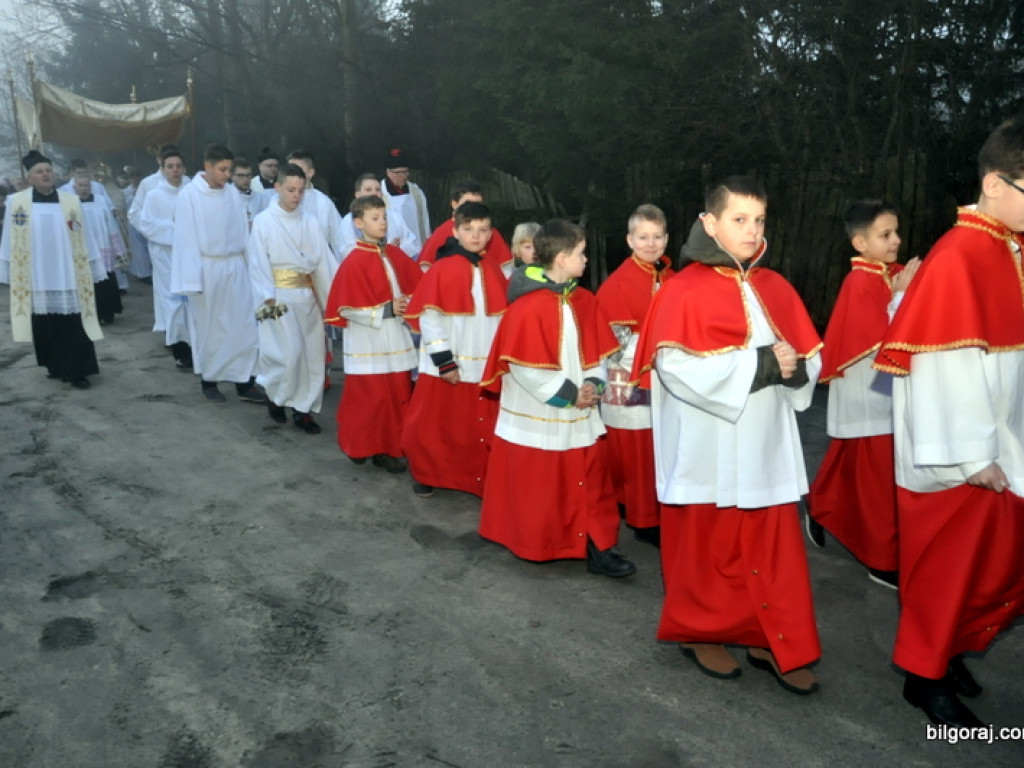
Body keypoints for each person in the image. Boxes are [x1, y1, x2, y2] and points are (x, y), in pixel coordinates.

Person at [632, 175, 823, 692]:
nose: (752, 230)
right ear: (710, 223)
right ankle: (700, 631)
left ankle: (771, 636)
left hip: (765, 443)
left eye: (758, 220)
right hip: (707, 443)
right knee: (707, 545)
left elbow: (808, 355)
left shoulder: (774, 286)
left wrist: (796, 370)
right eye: (739, 219)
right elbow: (675, 368)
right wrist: (761, 365)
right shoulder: (681, 290)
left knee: (771, 548)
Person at [874, 114, 1024, 727]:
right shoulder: (960, 255)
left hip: (998, 443)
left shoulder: (1005, 247)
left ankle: (949, 652)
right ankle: (924, 678)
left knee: (985, 568)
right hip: (959, 457)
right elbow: (943, 369)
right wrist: (972, 455)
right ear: (994, 183)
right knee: (946, 570)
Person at [478, 218, 636, 578]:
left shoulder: (585, 300)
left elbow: (598, 355)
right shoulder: (526, 307)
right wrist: (569, 395)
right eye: (581, 253)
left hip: (582, 411)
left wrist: (594, 386)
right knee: (544, 486)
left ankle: (599, 546)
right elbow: (524, 367)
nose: (586, 260)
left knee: (592, 480)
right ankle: (541, 542)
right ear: (562, 259)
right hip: (543, 412)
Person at [806, 200, 920, 589]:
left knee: (850, 459)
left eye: (896, 232)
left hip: (885, 390)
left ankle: (821, 507)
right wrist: (901, 297)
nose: (896, 240)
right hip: (869, 394)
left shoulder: (888, 275)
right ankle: (880, 557)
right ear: (860, 243)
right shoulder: (860, 282)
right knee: (878, 481)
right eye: (885, 235)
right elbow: (884, 339)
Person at [402, 201, 507, 497]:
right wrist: (444, 361)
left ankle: (474, 478)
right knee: (435, 425)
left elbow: (501, 319)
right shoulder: (442, 268)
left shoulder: (492, 270)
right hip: (447, 365)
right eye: (469, 229)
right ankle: (427, 473)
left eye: (483, 230)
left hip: (482, 365)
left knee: (475, 427)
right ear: (456, 231)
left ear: (491, 234)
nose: (476, 235)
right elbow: (430, 318)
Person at [595, 204, 674, 547]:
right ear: (629, 240)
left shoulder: (674, 278)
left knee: (661, 446)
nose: (650, 244)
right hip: (628, 380)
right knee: (636, 452)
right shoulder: (618, 283)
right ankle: (643, 519)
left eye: (657, 237)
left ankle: (655, 508)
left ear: (667, 239)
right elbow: (612, 343)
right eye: (643, 237)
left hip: (668, 381)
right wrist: (659, 346)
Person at [324, 195, 422, 471]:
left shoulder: (394, 254)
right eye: (375, 218)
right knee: (372, 397)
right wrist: (386, 309)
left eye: (384, 217)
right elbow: (345, 308)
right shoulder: (353, 262)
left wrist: (409, 302)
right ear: (359, 223)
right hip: (367, 340)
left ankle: (391, 447)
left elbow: (418, 285)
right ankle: (363, 444)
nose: (382, 223)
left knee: (398, 392)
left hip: (395, 336)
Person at [0, 150, 105, 389]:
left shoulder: (70, 201)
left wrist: (91, 264)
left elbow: (84, 235)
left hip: (67, 271)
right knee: (45, 321)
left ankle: (77, 370)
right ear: (30, 177)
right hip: (37, 273)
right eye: (39, 172)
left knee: (73, 321)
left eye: (48, 170)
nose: (45, 174)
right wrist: (10, 267)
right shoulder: (17, 202)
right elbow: (9, 237)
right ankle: (54, 364)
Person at [170, 143, 264, 404]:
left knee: (243, 325)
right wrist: (191, 279)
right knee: (210, 327)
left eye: (230, 169)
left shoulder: (231, 192)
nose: (227, 175)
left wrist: (251, 266)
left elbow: (242, 232)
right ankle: (209, 381)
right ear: (208, 166)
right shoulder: (189, 196)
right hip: (207, 269)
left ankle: (245, 382)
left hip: (235, 267)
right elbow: (185, 238)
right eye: (222, 169)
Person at [248, 163, 334, 433]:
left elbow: (323, 262)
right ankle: (276, 396)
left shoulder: (310, 222)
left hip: (308, 297)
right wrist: (267, 298)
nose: (296, 195)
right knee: (288, 353)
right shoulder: (264, 221)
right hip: (278, 298)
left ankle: (303, 410)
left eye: (301, 190)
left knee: (312, 355)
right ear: (277, 187)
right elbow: (257, 262)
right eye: (291, 189)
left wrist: (331, 299)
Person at [136, 147, 193, 369]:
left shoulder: (192, 191)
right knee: (174, 300)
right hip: (166, 254)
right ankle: (180, 347)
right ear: (163, 169)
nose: (175, 170)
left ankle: (196, 344)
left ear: (184, 168)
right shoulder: (154, 195)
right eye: (170, 167)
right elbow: (146, 224)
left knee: (194, 299)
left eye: (178, 166)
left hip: (191, 253)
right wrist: (175, 227)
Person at [417, 181, 513, 273]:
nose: (473, 208)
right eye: (468, 203)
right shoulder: (442, 232)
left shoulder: (490, 231)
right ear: (454, 204)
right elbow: (426, 269)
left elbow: (506, 269)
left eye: (477, 203)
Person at [73, 174, 125, 325]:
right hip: (85, 248)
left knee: (106, 279)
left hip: (103, 246)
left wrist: (116, 247)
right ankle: (92, 314)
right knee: (88, 281)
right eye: (81, 185)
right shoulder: (72, 204)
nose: (84, 188)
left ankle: (108, 312)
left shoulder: (101, 200)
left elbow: (110, 223)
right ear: (75, 187)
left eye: (86, 185)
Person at [282, 150, 345, 272]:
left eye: (298, 170)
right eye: (290, 170)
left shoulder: (324, 203)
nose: (293, 175)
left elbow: (338, 240)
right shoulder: (277, 202)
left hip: (319, 267)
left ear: (310, 173)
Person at [339, 173, 421, 260]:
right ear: (357, 195)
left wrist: (394, 250)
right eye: (368, 189)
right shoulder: (349, 221)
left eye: (378, 189)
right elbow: (346, 251)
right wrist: (382, 251)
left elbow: (412, 244)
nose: (374, 193)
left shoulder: (395, 216)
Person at [381, 148, 430, 245]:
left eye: (406, 172)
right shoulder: (380, 193)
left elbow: (425, 221)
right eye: (398, 172)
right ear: (388, 172)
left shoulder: (416, 192)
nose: (403, 176)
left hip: (417, 247)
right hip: (391, 247)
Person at [231, 157, 268, 228]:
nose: (246, 179)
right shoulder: (226, 198)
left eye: (248, 175)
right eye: (241, 175)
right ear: (231, 176)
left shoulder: (261, 199)